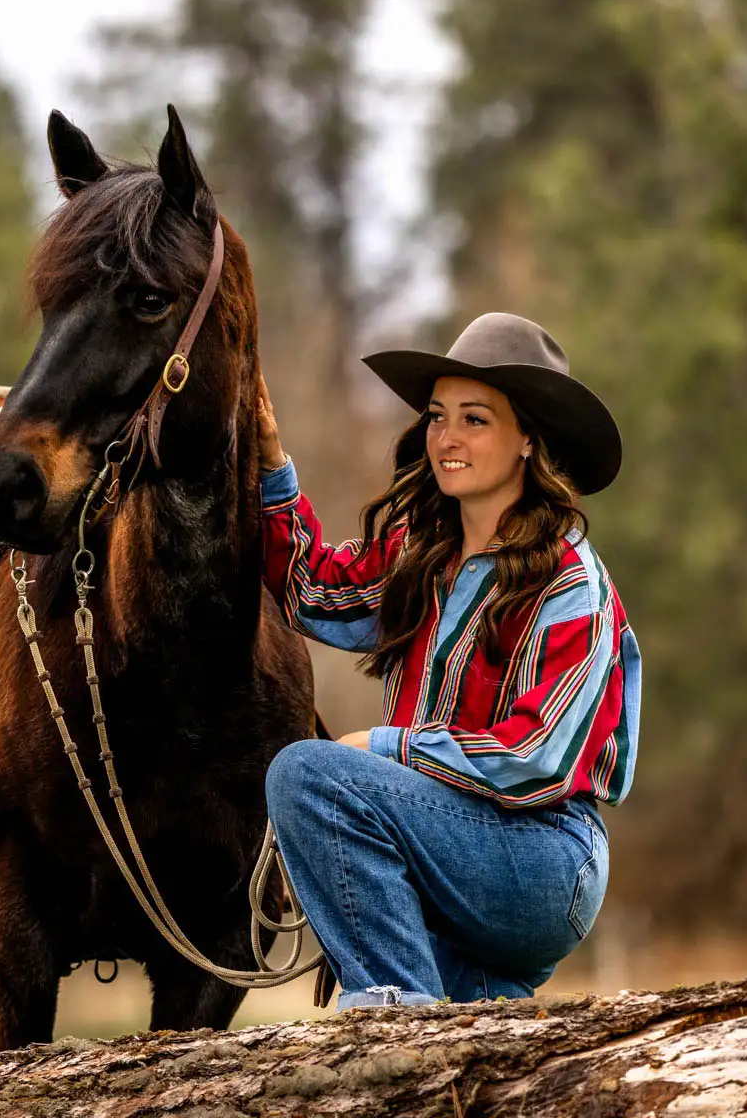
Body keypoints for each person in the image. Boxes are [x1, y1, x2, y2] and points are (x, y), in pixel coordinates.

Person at [258, 311, 640, 1010]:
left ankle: (397, 1026)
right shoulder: (420, 555)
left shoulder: (569, 582)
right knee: (439, 988)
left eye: (475, 419)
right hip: (450, 849)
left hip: (544, 857)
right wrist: (271, 467)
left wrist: (385, 748)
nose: (447, 438)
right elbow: (310, 591)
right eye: (437, 417)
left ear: (528, 439)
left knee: (306, 774)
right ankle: (460, 1009)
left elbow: (536, 758)